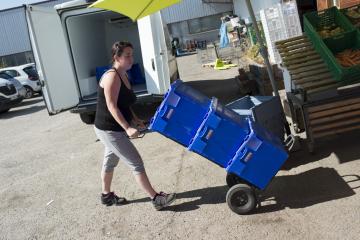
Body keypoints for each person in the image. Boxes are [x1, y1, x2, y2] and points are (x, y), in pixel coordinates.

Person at [94, 41, 176, 210]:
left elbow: (124, 103)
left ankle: (106, 196)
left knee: (110, 162)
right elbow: (112, 106)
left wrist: (135, 119)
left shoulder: (124, 74)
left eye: (132, 54)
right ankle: (156, 199)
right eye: (127, 55)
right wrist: (127, 128)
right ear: (116, 57)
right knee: (136, 162)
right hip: (109, 128)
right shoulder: (111, 76)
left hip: (113, 127)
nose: (131, 59)